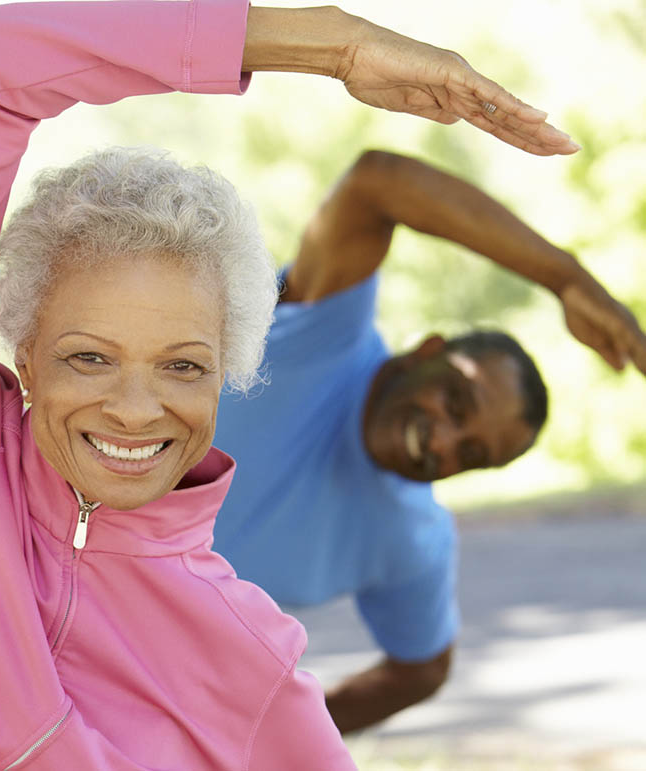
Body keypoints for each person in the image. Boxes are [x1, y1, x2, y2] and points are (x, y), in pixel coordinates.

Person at [0, 2, 580, 768]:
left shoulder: (246, 655)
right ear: (24, 351)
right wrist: (334, 44)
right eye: (88, 357)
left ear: (227, 376)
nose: (136, 409)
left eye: (182, 366)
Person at [211, 148, 646, 734]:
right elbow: (377, 181)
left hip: (107, 677)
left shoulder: (412, 541)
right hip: (45, 557)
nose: (443, 438)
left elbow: (422, 671)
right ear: (427, 351)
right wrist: (564, 277)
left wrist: (267, 740)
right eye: (456, 401)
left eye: (469, 455)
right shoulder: (327, 330)